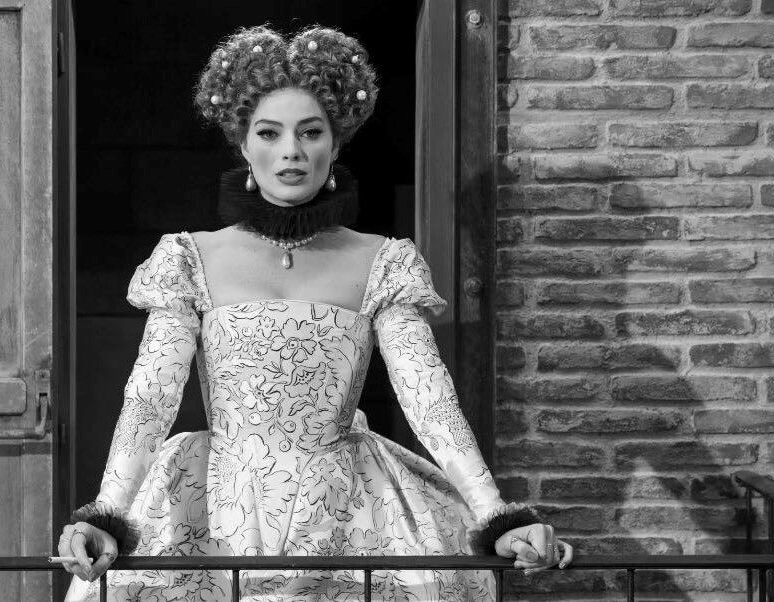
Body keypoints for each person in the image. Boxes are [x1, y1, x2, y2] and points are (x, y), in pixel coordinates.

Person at [59, 25, 573, 601]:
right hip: (214, 506)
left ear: (336, 144)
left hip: (345, 510)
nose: (291, 151)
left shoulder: (384, 261)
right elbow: (150, 398)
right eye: (269, 133)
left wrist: (496, 516)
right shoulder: (189, 258)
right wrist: (107, 514)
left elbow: (429, 398)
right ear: (244, 145)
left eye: (310, 132)